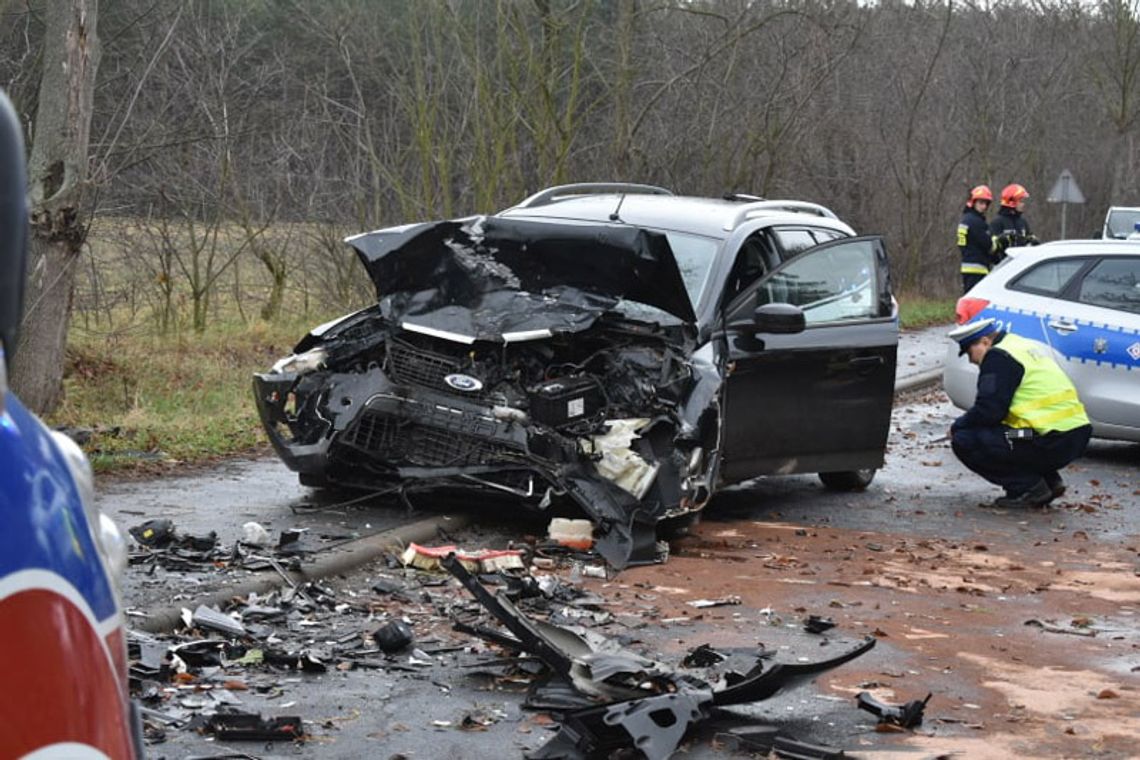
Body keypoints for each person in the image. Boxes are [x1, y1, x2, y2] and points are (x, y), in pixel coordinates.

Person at [948, 318, 1092, 508]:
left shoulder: (998, 358)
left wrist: (957, 426)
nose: (971, 360)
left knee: (966, 439)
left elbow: (989, 410)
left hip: (1046, 438)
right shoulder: (1019, 345)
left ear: (985, 341)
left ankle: (1028, 487)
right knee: (1007, 435)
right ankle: (1049, 481)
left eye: (969, 352)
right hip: (1070, 432)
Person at [957, 185, 1003, 293]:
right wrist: (999, 242)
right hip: (978, 269)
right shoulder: (976, 222)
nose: (984, 206)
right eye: (981, 203)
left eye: (986, 203)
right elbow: (988, 245)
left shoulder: (965, 220)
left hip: (967, 267)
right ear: (973, 202)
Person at [990, 183, 1040, 249]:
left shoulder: (1023, 222)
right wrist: (1002, 240)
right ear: (1011, 202)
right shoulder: (997, 222)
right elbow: (990, 247)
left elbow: (1028, 236)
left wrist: (1033, 240)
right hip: (1005, 259)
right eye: (1020, 201)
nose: (1023, 204)